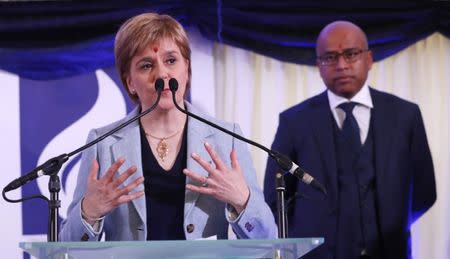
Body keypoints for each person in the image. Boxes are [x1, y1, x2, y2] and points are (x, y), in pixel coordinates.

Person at [59, 12, 277, 242]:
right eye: (146, 65)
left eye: (171, 60)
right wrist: (89, 212)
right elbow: (66, 249)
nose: (162, 74)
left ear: (187, 70)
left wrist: (243, 200)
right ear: (130, 82)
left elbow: (268, 238)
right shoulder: (102, 143)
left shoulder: (226, 138)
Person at [264, 21, 436, 259]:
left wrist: (393, 223)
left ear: (369, 58)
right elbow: (275, 196)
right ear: (318, 65)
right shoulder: (294, 121)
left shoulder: (405, 115)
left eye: (351, 54)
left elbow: (425, 191)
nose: (342, 65)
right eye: (330, 57)